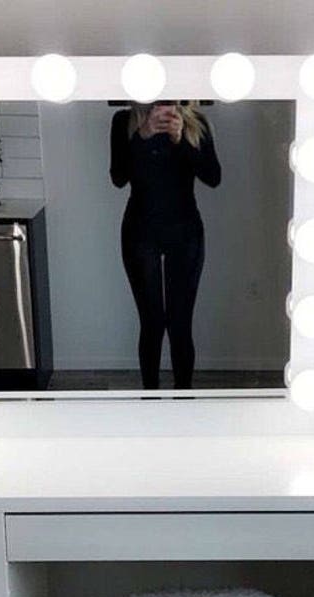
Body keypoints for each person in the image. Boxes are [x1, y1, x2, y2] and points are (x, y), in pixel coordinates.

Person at [110, 101, 221, 389]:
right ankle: (150, 399)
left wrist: (181, 139)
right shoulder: (124, 121)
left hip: (185, 233)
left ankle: (184, 398)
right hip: (140, 232)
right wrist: (143, 135)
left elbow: (213, 177)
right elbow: (118, 177)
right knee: (152, 324)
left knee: (180, 324)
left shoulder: (196, 122)